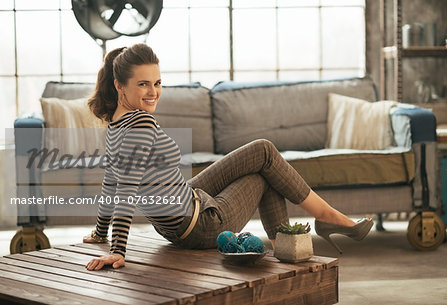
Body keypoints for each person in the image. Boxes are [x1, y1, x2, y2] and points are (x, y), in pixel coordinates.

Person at [83, 43, 373, 271]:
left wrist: (100, 233)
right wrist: (118, 251)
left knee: (262, 152)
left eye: (157, 83)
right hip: (199, 226)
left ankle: (302, 233)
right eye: (143, 84)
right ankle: (322, 221)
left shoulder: (117, 126)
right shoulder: (141, 124)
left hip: (184, 206)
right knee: (264, 167)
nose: (154, 92)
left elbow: (111, 183)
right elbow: (124, 190)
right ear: (120, 85)